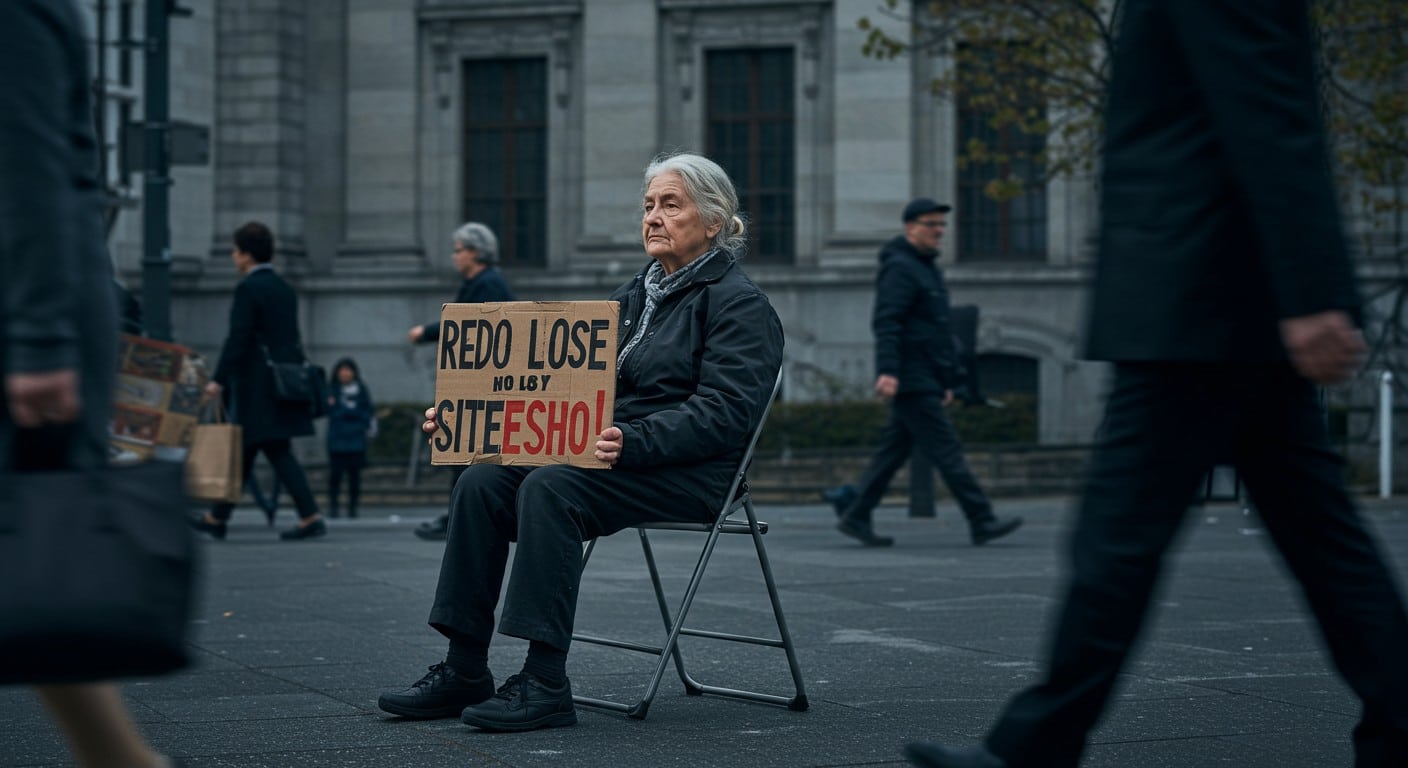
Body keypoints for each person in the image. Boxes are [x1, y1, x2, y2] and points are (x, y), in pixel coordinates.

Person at [904, 2, 1408, 766]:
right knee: (1315, 539)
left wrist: (1310, 293)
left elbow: (1272, 113)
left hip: (1203, 296)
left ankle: (1032, 749)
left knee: (1122, 539)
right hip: (1210, 296)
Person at [376, 151, 784, 732]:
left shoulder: (739, 304)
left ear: (714, 220)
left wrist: (634, 438)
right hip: (609, 453)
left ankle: (544, 682)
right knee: (481, 480)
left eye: (671, 204)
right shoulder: (631, 296)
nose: (654, 217)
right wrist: (473, 416)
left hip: (690, 471)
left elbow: (726, 414)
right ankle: (464, 666)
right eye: (648, 205)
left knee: (550, 486)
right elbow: (554, 385)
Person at [1, 2, 175, 765]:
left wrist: (39, 341)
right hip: (35, 303)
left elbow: (29, 164)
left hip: (28, 312)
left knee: (44, 543)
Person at [829, 198, 1022, 548]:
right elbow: (888, 322)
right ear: (910, 227)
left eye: (941, 225)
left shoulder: (924, 268)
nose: (938, 231)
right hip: (910, 376)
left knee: (894, 451)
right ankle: (981, 518)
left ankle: (856, 514)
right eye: (931, 224)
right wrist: (887, 371)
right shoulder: (901, 268)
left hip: (924, 376)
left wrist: (947, 380)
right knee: (946, 450)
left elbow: (936, 331)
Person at [191, 222, 326, 541]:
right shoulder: (283, 287)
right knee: (255, 449)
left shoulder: (248, 289)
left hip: (257, 385)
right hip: (281, 383)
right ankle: (217, 517)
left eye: (236, 251)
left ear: (246, 254)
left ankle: (309, 515)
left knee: (270, 449)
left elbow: (238, 338)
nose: (233, 257)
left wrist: (218, 379)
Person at [408, 221, 515, 541]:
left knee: (467, 451)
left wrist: (425, 332)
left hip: (482, 383)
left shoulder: (488, 284)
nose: (454, 257)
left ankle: (463, 514)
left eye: (458, 251)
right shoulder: (481, 283)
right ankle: (459, 512)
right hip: (474, 381)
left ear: (475, 253)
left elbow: (465, 324)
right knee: (462, 449)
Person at [325, 357, 374, 519]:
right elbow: (333, 413)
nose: (345, 374)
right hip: (337, 440)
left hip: (356, 440)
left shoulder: (361, 389)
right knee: (335, 476)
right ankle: (333, 506)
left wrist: (347, 412)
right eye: (342, 370)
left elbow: (366, 413)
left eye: (348, 370)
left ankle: (353, 507)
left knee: (355, 477)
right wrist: (352, 413)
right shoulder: (332, 390)